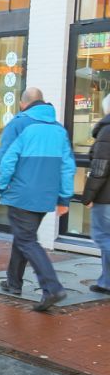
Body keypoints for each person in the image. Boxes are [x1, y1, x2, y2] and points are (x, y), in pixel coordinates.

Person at [0, 87, 76, 311]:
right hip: (45, 196)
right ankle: (13, 283)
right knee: (24, 236)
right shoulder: (58, 129)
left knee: (27, 240)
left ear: (23, 104)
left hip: (21, 194)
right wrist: (64, 198)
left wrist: (0, 186)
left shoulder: (19, 124)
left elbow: (4, 159)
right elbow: (68, 167)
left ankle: (52, 288)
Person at [82, 93, 110, 294]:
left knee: (102, 236)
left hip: (106, 197)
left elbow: (100, 168)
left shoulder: (107, 131)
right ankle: (106, 281)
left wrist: (88, 196)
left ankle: (107, 282)